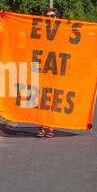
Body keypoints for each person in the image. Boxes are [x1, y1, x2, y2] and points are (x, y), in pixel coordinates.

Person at [36, 8, 60, 138]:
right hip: (42, 70)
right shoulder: (41, 31)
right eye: (46, 16)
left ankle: (51, 127)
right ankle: (42, 126)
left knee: (53, 99)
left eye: (51, 16)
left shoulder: (63, 31)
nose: (49, 18)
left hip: (56, 72)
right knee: (41, 99)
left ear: (57, 18)